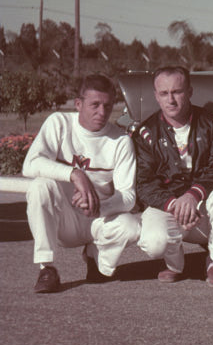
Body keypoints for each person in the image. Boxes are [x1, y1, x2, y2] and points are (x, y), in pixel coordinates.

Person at [23, 74, 140, 293]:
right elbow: (30, 165)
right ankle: (46, 268)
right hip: (63, 220)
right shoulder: (59, 123)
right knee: (39, 186)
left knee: (131, 227)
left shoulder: (121, 141)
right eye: (95, 105)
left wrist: (98, 206)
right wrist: (75, 174)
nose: (102, 112)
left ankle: (96, 257)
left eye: (107, 106)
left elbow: (128, 196)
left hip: (98, 218)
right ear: (78, 104)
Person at [134, 66, 213, 288]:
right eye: (164, 93)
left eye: (177, 92)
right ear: (156, 96)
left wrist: (194, 194)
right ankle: (174, 263)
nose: (171, 100)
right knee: (154, 243)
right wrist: (175, 205)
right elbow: (144, 183)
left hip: (205, 201)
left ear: (190, 92)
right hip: (168, 204)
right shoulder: (146, 132)